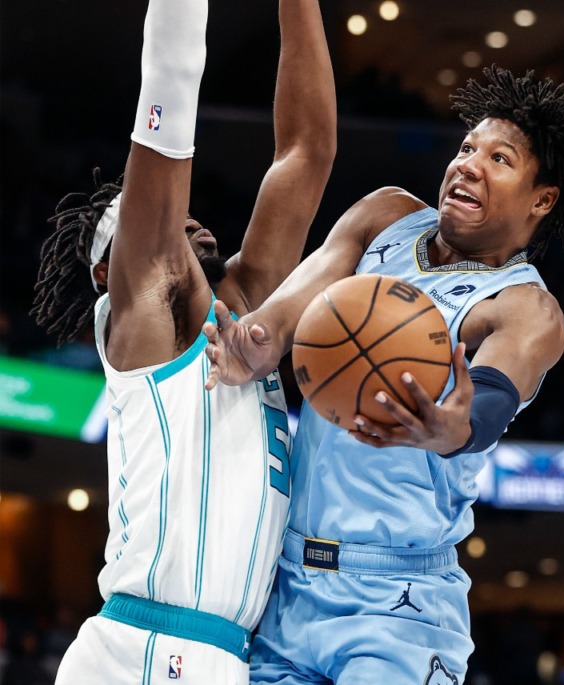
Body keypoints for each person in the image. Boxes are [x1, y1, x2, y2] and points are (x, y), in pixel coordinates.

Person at [202, 65, 564, 683]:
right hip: (283, 586)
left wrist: (451, 429)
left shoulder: (524, 308)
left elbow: (491, 401)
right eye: (467, 147)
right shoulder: (384, 217)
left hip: (399, 601)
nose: (468, 164)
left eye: (499, 159)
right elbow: (285, 315)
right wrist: (255, 345)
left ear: (542, 199)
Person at [31, 0, 336, 681]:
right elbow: (168, 82)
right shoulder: (142, 316)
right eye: (140, 221)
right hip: (144, 647)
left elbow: (307, 151)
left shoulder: (249, 315)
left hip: (213, 655)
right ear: (111, 272)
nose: (184, 218)